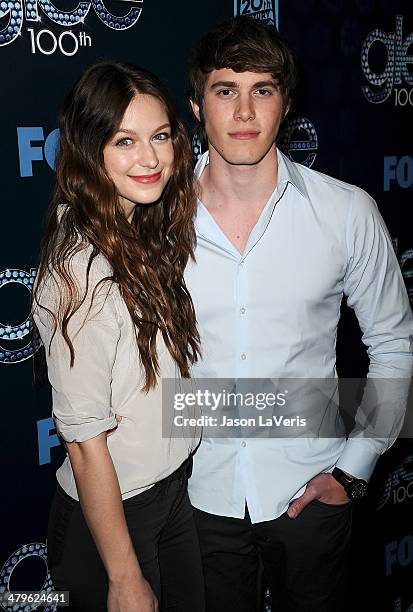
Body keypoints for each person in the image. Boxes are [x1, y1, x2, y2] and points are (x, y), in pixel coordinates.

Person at [184, 16, 413, 612]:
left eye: (262, 89)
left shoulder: (346, 213)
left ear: (286, 105)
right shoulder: (154, 221)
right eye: (224, 90)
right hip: (193, 495)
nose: (243, 112)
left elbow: (393, 343)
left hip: (312, 491)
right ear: (195, 105)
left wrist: (355, 470)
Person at [32, 60, 205, 612]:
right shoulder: (80, 274)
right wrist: (124, 577)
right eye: (124, 140)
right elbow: (85, 446)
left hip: (172, 495)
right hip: (112, 522)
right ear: (90, 151)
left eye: (159, 136)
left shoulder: (141, 231)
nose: (150, 158)